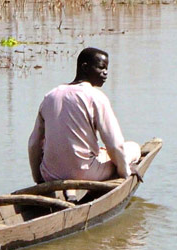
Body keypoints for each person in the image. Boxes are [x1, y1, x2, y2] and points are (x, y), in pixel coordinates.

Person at [28, 47, 140, 184]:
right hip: (85, 173)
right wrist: (125, 172)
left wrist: (38, 178)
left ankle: (70, 191)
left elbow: (34, 144)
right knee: (133, 147)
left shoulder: (50, 96)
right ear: (85, 67)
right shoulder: (95, 97)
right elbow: (115, 144)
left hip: (51, 174)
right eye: (101, 68)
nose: (105, 73)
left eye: (106, 69)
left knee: (99, 152)